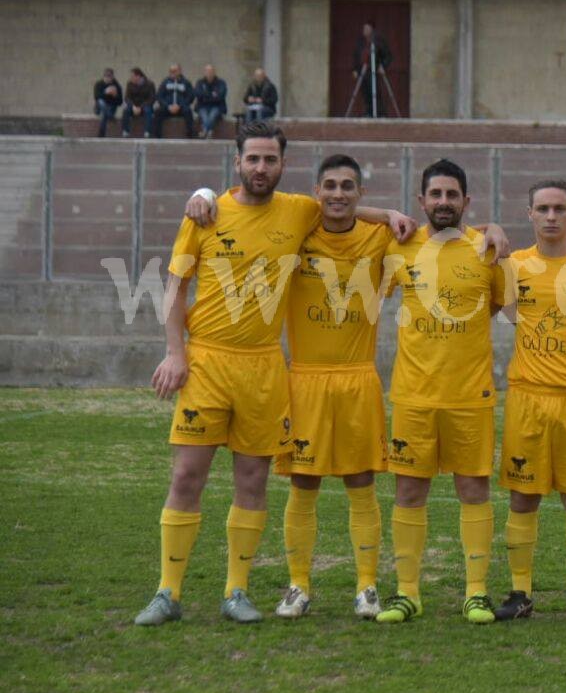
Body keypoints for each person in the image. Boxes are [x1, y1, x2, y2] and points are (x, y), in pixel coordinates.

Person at [134, 122, 409, 627]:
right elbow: (175, 285)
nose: (261, 167)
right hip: (207, 361)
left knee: (253, 480)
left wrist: (389, 213)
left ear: (284, 167)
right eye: (253, 159)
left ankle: (235, 591)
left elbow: (341, 208)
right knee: (186, 475)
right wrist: (175, 353)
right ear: (237, 161)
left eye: (270, 160)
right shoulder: (205, 213)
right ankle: (167, 592)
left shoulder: (297, 210)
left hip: (265, 366)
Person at [377, 159, 510, 625]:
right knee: (409, 491)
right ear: (421, 201)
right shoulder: (400, 245)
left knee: (474, 489)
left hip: (469, 394)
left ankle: (476, 593)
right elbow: (339, 212)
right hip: (413, 394)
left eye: (453, 195)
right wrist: (385, 213)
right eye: (435, 195)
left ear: (466, 202)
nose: (444, 203)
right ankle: (407, 593)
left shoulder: (485, 248)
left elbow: (498, 306)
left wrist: (493, 227)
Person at [271, 154, 395, 621]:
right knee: (303, 485)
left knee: (360, 484)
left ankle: (366, 586)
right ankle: (298, 584)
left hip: (358, 377)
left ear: (361, 194)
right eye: (329, 185)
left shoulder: (381, 237)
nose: (338, 193)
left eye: (347, 186)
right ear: (315, 191)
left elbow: (441, 232)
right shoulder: (296, 234)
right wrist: (200, 198)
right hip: (303, 379)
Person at [493, 179, 566, 624]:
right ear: (529, 214)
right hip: (528, 398)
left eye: (559, 208)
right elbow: (508, 313)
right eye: (542, 208)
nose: (551, 216)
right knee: (523, 498)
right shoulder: (514, 265)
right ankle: (520, 592)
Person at [352, 22, 393, 118]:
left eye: (367, 28)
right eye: (364, 28)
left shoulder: (378, 42)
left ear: (371, 30)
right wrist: (355, 69)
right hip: (363, 71)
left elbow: (388, 56)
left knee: (375, 93)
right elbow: (356, 57)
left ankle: (381, 114)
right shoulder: (360, 42)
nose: (365, 31)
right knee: (366, 93)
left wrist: (383, 66)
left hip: (373, 71)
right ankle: (369, 112)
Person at [153, 64, 196, 139]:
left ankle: (190, 134)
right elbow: (159, 96)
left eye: (174, 71)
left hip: (181, 108)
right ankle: (157, 135)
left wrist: (180, 105)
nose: (172, 73)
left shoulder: (186, 82)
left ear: (179, 71)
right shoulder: (165, 82)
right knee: (158, 112)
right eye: (171, 71)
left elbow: (190, 97)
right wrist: (168, 106)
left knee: (188, 111)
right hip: (168, 107)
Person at [194, 65, 229, 139]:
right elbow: (198, 94)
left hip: (217, 106)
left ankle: (205, 131)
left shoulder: (221, 83)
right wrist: (212, 95)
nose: (209, 73)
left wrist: (206, 96)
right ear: (204, 73)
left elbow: (221, 96)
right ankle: (209, 131)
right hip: (202, 106)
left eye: (211, 71)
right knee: (204, 116)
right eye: (207, 71)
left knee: (212, 115)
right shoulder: (200, 83)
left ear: (214, 72)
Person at [122, 68, 156, 138]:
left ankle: (147, 132)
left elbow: (152, 99)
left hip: (145, 106)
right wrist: (133, 106)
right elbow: (127, 98)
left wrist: (141, 107)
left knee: (148, 111)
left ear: (138, 76)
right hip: (133, 106)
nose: (131, 78)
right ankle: (125, 131)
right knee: (126, 111)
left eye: (132, 76)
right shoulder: (130, 84)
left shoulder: (149, 84)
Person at [93, 68, 122, 138]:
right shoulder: (98, 84)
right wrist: (105, 92)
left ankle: (101, 135)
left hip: (111, 108)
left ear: (112, 77)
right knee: (101, 102)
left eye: (109, 76)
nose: (107, 78)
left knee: (104, 115)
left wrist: (115, 96)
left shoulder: (117, 86)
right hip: (99, 108)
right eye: (106, 76)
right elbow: (96, 97)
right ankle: (110, 116)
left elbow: (120, 102)